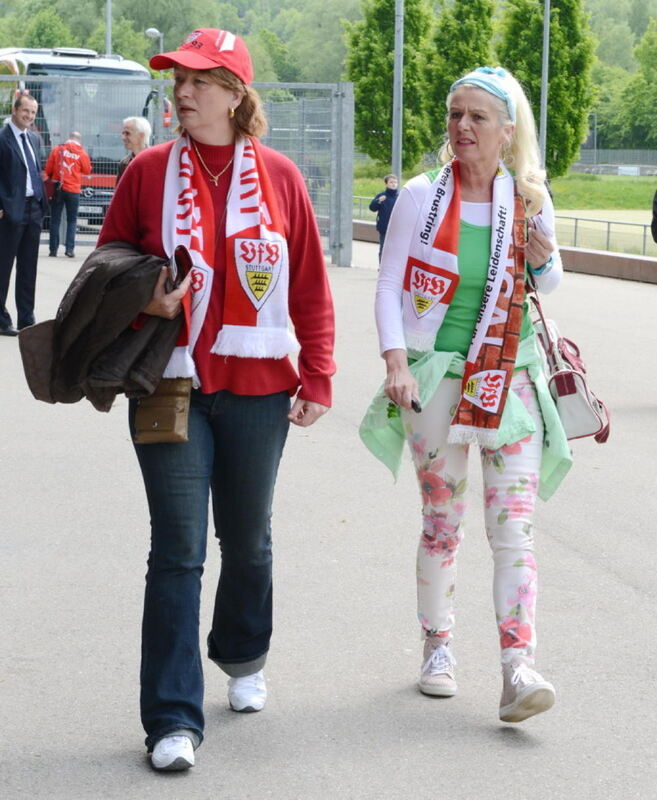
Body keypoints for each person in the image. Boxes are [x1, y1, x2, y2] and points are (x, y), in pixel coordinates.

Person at [97, 28, 335, 771]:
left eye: (200, 81)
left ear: (236, 94)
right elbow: (103, 272)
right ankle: (171, 717)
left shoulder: (281, 178)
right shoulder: (145, 173)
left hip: (259, 389)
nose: (184, 92)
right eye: (178, 80)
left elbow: (307, 288)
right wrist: (148, 304)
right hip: (166, 385)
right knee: (177, 549)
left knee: (248, 540)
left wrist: (318, 374)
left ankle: (240, 651)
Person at [359, 67, 572, 723]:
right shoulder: (422, 197)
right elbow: (389, 285)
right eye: (454, 114)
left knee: (513, 531)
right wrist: (396, 362)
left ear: (506, 132)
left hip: (510, 384)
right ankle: (438, 651)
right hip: (436, 383)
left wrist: (539, 254)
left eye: (477, 117)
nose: (461, 128)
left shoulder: (529, 199)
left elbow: (551, 279)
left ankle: (517, 667)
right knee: (442, 527)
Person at [0, 93, 48, 335]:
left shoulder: (34, 138)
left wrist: (40, 202)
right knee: (3, 266)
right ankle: (1, 319)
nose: (29, 116)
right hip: (9, 212)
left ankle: (26, 319)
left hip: (34, 209)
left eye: (32, 112)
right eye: (25, 111)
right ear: (14, 110)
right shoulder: (2, 138)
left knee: (28, 268)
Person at [45, 131, 92, 258]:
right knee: (72, 220)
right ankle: (69, 249)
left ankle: (53, 250)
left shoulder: (57, 150)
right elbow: (87, 170)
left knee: (55, 220)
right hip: (74, 190)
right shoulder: (82, 153)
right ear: (79, 140)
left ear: (68, 138)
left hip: (58, 188)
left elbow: (48, 169)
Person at [369, 173, 399, 261]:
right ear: (386, 184)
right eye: (391, 182)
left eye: (395, 182)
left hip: (397, 228)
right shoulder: (382, 196)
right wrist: (378, 201)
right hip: (384, 227)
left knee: (396, 249)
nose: (394, 184)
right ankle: (381, 267)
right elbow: (372, 208)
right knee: (384, 248)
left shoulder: (399, 196)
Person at [115, 116, 151, 184]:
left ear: (141, 135)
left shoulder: (157, 160)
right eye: (123, 133)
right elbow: (120, 192)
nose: (123, 137)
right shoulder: (124, 163)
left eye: (127, 133)